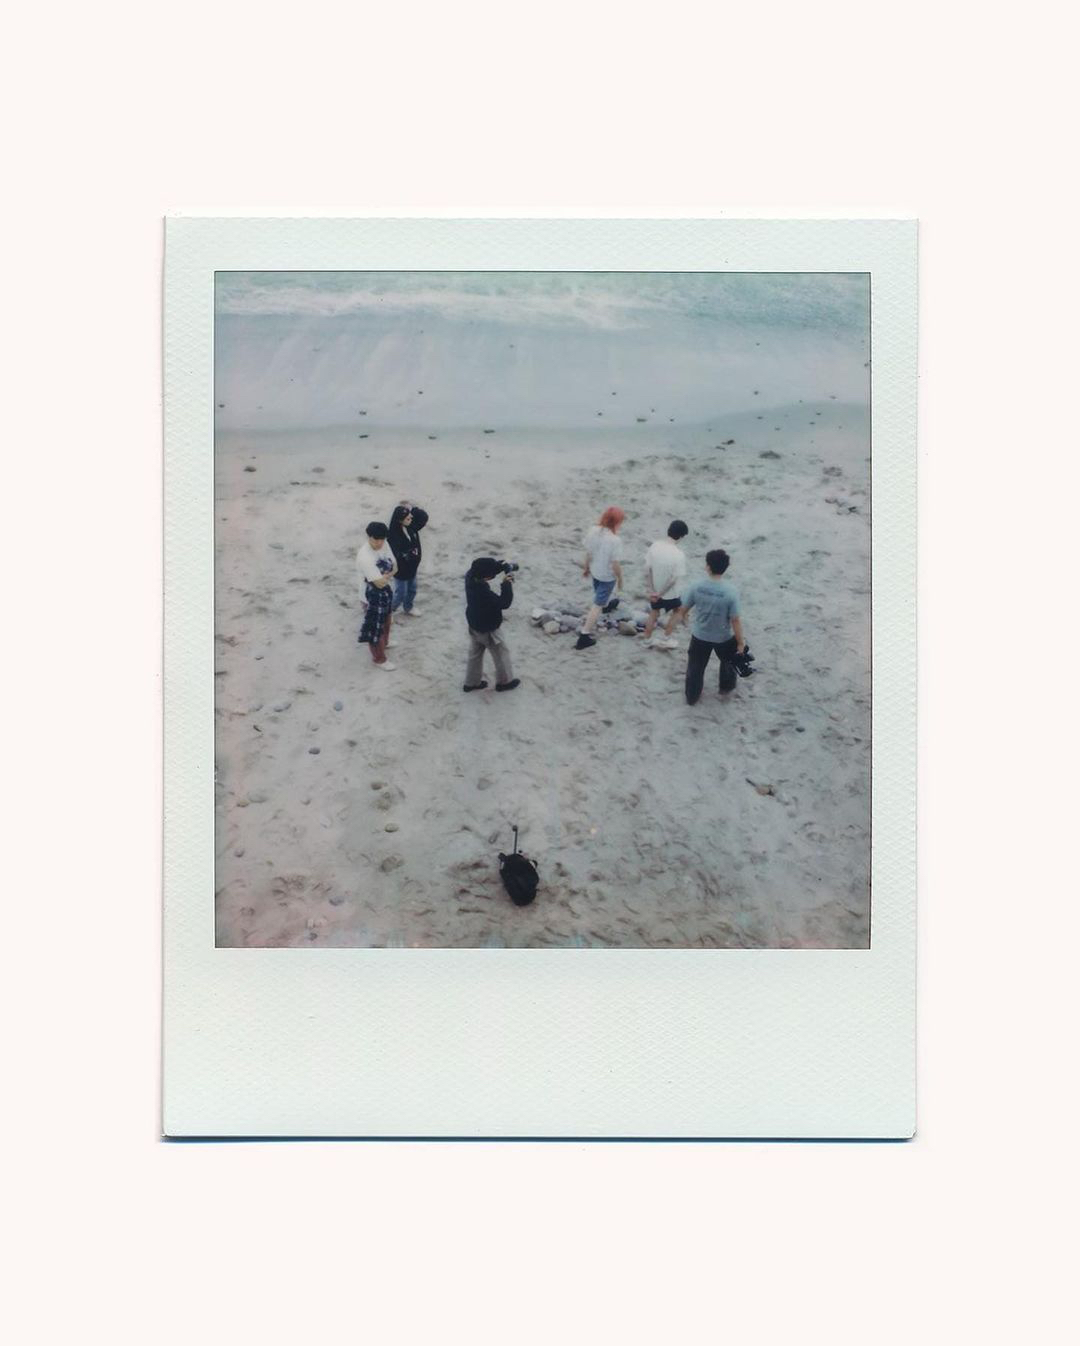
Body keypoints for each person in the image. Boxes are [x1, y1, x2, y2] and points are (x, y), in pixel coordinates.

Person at [677, 548, 747, 705]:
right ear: (725, 568)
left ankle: (692, 696)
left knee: (695, 667)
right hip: (723, 636)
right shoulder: (731, 592)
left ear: (708, 566)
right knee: (728, 662)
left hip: (700, 635)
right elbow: (735, 620)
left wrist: (685, 620)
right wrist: (740, 642)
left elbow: (683, 609)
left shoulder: (696, 586)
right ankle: (726, 687)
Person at [463, 558, 520, 692]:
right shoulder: (482, 592)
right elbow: (504, 603)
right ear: (486, 577)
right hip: (488, 629)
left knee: (475, 654)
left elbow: (485, 568)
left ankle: (471, 683)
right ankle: (504, 682)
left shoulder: (470, 576)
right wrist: (507, 582)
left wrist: (501, 566)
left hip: (474, 623)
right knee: (501, 653)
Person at [575, 506, 626, 651]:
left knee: (599, 593)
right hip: (607, 576)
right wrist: (620, 578)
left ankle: (606, 605)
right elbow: (615, 564)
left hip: (595, 570)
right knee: (597, 604)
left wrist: (586, 568)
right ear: (617, 522)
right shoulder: (615, 540)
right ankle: (584, 636)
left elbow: (589, 552)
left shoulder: (593, 530)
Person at [642, 519, 689, 649]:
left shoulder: (655, 546)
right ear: (681, 536)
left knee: (654, 612)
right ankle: (666, 637)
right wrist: (661, 593)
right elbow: (673, 579)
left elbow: (647, 570)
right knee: (678, 611)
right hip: (670, 593)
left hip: (655, 588)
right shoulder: (679, 554)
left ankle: (646, 639)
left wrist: (652, 591)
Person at [356, 522, 398, 670]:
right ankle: (379, 659)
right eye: (376, 540)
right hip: (370, 597)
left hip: (385, 591)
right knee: (375, 630)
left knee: (387, 621)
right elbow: (379, 583)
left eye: (382, 539)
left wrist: (385, 575)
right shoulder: (365, 556)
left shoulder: (385, 544)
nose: (379, 543)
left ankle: (385, 643)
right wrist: (386, 574)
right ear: (369, 537)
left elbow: (395, 567)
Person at [387, 501, 429, 616]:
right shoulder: (393, 536)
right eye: (408, 518)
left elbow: (424, 517)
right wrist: (407, 555)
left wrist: (413, 508)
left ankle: (408, 607)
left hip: (412, 568)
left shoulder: (411, 527)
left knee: (412, 589)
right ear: (400, 520)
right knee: (400, 593)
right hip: (401, 571)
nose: (411, 518)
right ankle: (389, 611)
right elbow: (395, 556)